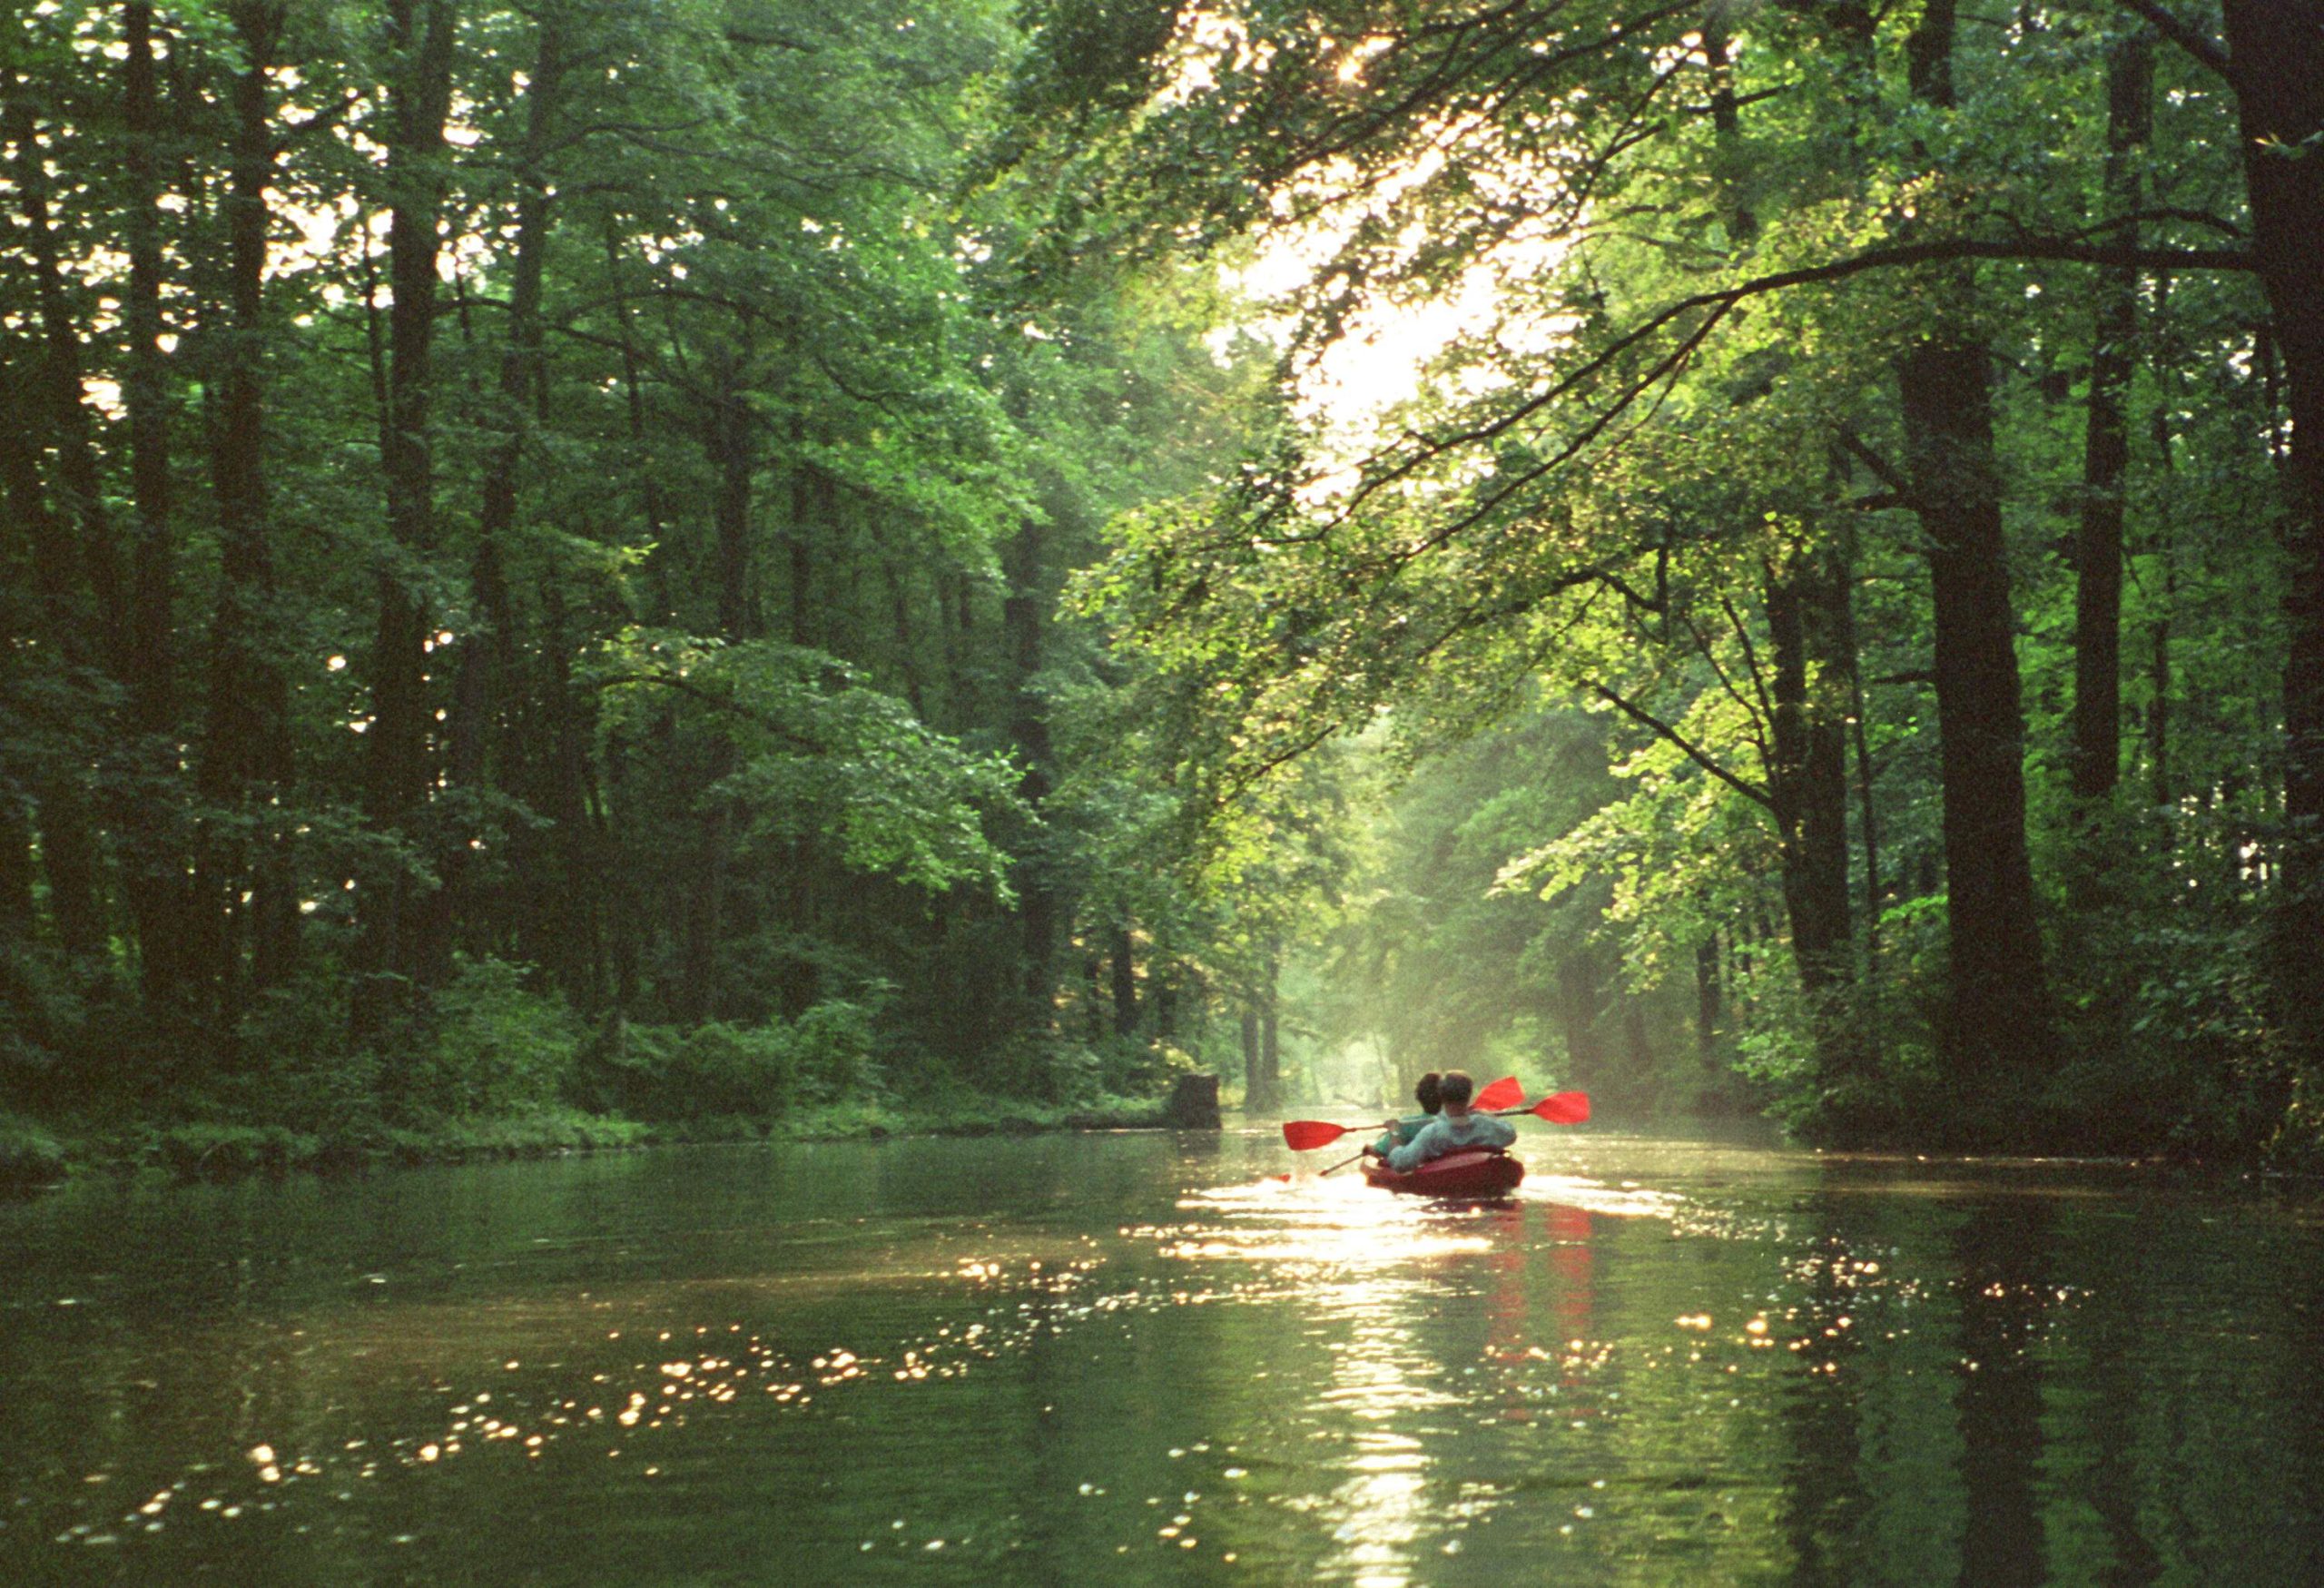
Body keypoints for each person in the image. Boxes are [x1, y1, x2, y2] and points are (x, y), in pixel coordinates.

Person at [1374, 1070, 1515, 1172]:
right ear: (1469, 1094)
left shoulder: (1432, 1133)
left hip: (1445, 1188)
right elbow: (1510, 1134)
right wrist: (1487, 1115)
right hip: (1481, 1184)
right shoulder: (1486, 1125)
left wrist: (1394, 1133)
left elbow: (1400, 1163)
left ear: (1441, 1095)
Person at [1369, 1072, 1443, 1158]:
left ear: (1419, 1098)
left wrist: (1368, 1149)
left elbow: (1379, 1151)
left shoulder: (1405, 1124)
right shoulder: (1454, 1123)